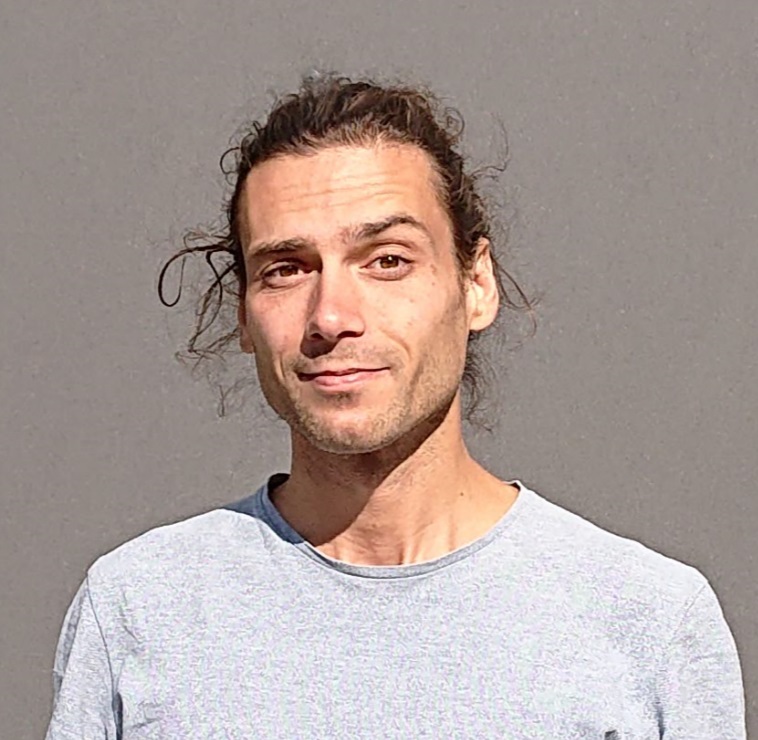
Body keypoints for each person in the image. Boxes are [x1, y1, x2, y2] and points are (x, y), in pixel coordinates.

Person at [46, 74, 745, 739]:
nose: (331, 316)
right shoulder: (139, 609)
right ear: (244, 314)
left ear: (476, 284)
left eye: (387, 260)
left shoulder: (649, 622)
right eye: (286, 269)